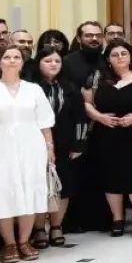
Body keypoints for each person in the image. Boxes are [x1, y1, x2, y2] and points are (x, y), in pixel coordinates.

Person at [0, 47, 56, 263]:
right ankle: (9, 244)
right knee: (2, 190)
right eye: (7, 57)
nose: (12, 61)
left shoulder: (34, 89)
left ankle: (24, 241)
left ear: (23, 62)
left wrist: (50, 149)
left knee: (30, 190)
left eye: (16, 57)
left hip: (31, 145)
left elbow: (45, 123)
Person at [84, 41, 132, 237]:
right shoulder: (97, 78)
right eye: (114, 54)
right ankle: (117, 219)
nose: (119, 57)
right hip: (106, 133)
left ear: (130, 56)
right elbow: (86, 102)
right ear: (107, 58)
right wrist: (100, 117)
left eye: (123, 53)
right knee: (111, 176)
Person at [32, 48, 84, 247]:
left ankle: (56, 226)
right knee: (39, 186)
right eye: (48, 60)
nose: (53, 64)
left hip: (66, 145)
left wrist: (79, 143)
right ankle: (38, 228)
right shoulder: (32, 87)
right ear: (39, 63)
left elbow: (81, 117)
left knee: (64, 187)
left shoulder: (69, 87)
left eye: (57, 61)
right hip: (37, 145)